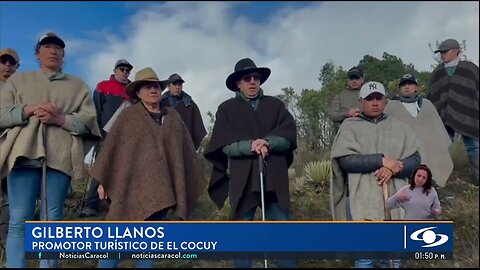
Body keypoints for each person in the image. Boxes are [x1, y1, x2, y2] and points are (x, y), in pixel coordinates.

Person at [0, 32, 101, 268]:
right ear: (37, 54)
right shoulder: (18, 81)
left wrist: (59, 119)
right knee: (19, 220)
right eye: (47, 46)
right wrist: (32, 109)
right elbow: (2, 114)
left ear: (64, 54)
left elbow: (89, 122)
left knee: (52, 220)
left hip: (60, 157)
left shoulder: (78, 86)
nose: (53, 50)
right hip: (23, 155)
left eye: (58, 47)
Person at [90, 67, 206, 268]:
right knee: (115, 245)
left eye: (155, 86)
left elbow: (184, 153)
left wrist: (184, 184)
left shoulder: (173, 117)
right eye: (146, 87)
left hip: (163, 191)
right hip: (129, 189)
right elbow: (113, 151)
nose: (152, 90)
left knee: (147, 248)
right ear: (137, 92)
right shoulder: (128, 116)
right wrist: (104, 181)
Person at [204, 58, 297, 268]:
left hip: (273, 177)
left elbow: (288, 136)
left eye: (256, 78)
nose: (253, 82)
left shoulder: (275, 105)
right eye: (247, 78)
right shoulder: (226, 109)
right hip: (242, 179)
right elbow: (224, 145)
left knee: (284, 229)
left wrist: (268, 142)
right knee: (242, 235)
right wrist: (250, 146)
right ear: (238, 83)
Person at [330, 81, 422, 268]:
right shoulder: (349, 127)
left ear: (385, 101)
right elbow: (346, 161)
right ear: (360, 101)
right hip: (362, 200)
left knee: (393, 258)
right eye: (369, 99)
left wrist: (393, 168)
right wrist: (380, 161)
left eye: (378, 98)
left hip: (396, 202)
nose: (374, 102)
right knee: (365, 257)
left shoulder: (399, 128)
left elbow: (415, 160)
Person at [79, 59, 134, 218]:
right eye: (122, 69)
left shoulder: (132, 91)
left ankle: (115, 204)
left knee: (123, 169)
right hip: (105, 135)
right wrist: (96, 133)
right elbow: (95, 110)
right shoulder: (103, 86)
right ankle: (91, 205)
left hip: (127, 137)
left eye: (127, 70)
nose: (125, 72)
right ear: (115, 70)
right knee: (101, 168)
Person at [427, 38, 479, 186]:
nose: (442, 55)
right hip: (444, 116)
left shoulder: (470, 69)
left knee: (474, 147)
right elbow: (432, 95)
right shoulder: (438, 72)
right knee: (440, 147)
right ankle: (436, 179)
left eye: (445, 51)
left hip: (468, 114)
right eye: (441, 52)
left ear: (456, 51)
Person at [385, 74, 453, 187]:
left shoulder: (427, 104)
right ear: (399, 89)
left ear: (416, 87)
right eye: (403, 85)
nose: (407, 87)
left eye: (410, 84)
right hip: (404, 151)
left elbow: (437, 130)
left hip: (429, 148)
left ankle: (432, 186)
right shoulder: (391, 106)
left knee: (432, 159)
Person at [0, 48, 20, 248]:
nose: (7, 65)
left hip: (9, 150)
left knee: (9, 199)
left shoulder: (20, 90)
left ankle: (8, 244)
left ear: (17, 66)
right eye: (3, 60)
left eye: (11, 62)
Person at [161, 73, 207, 150]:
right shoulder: (161, 102)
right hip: (165, 145)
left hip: (184, 146)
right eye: (174, 84)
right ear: (168, 86)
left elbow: (198, 129)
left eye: (180, 84)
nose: (177, 87)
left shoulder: (189, 103)